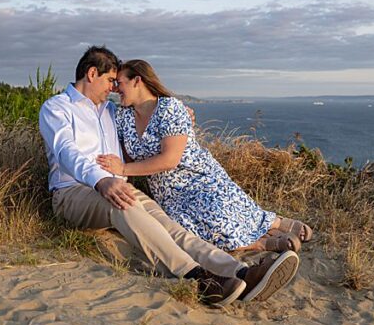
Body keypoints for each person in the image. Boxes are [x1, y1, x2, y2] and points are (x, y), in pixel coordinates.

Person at [39, 46, 300, 307]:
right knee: (124, 206)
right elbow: (65, 151)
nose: (114, 88)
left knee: (169, 226)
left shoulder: (111, 111)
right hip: (72, 193)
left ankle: (240, 272)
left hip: (115, 187)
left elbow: (149, 112)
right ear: (92, 73)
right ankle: (198, 279)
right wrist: (101, 180)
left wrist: (182, 114)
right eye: (110, 81)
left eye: (117, 83)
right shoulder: (57, 108)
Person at [94, 59, 314, 253]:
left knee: (221, 213)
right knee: (187, 234)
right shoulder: (123, 115)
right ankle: (260, 244)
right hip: (167, 193)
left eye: (119, 82)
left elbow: (170, 160)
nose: (114, 88)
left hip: (196, 176)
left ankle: (275, 223)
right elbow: (125, 149)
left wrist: (122, 170)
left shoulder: (170, 108)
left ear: (137, 80)